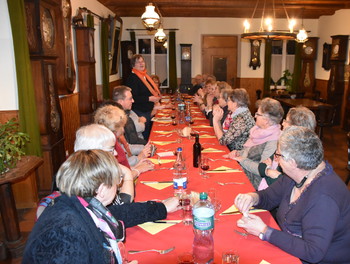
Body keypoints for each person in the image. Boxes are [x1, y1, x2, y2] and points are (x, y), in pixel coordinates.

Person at [234, 127, 350, 264]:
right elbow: (269, 196)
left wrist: (264, 231)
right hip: (291, 250)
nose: (276, 160)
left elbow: (313, 252)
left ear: (293, 162)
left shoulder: (323, 198)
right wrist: (252, 197)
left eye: (278, 155)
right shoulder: (299, 174)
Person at [24, 150, 138, 264]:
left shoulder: (79, 205)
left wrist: (155, 208)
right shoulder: (66, 233)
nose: (118, 185)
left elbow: (122, 212)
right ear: (102, 190)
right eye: (117, 181)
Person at [224, 97, 283, 189]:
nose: (255, 116)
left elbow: (262, 169)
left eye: (257, 114)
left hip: (253, 182)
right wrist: (238, 152)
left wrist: (242, 160)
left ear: (266, 120)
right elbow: (248, 151)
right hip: (242, 170)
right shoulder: (258, 131)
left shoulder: (274, 140)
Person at [258, 106, 317, 188]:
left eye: (286, 121)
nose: (282, 123)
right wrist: (269, 172)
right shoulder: (284, 143)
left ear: (295, 127)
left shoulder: (298, 156)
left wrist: (269, 172)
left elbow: (284, 186)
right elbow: (261, 166)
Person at [94, 104, 153, 174]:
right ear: (115, 128)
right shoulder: (109, 144)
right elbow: (119, 173)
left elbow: (123, 167)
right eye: (122, 127)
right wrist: (138, 161)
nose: (124, 130)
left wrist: (142, 152)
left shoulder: (113, 138)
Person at [126, 54, 161, 140]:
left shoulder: (144, 76)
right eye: (138, 62)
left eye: (142, 61)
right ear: (133, 65)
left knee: (150, 133)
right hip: (140, 112)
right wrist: (150, 98)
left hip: (148, 110)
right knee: (145, 136)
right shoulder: (133, 78)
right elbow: (134, 98)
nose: (142, 64)